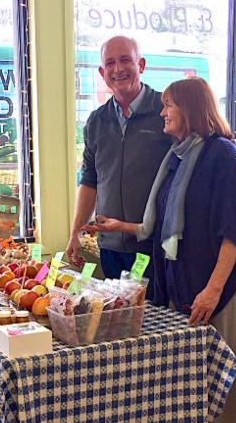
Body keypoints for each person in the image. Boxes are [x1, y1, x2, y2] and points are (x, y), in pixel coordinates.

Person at [90, 77, 236, 423]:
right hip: (186, 286)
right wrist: (120, 226)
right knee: (195, 378)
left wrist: (212, 290)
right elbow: (162, 223)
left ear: (190, 109)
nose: (163, 113)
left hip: (219, 289)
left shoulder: (223, 155)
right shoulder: (177, 156)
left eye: (169, 106)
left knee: (227, 379)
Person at [65, 36, 173, 290]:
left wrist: (227, 142)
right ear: (102, 72)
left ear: (141, 65)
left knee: (157, 314)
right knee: (117, 314)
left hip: (154, 246)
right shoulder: (96, 121)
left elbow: (197, 149)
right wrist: (75, 232)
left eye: (126, 60)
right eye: (110, 63)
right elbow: (89, 182)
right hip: (110, 248)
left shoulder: (166, 111)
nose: (118, 69)